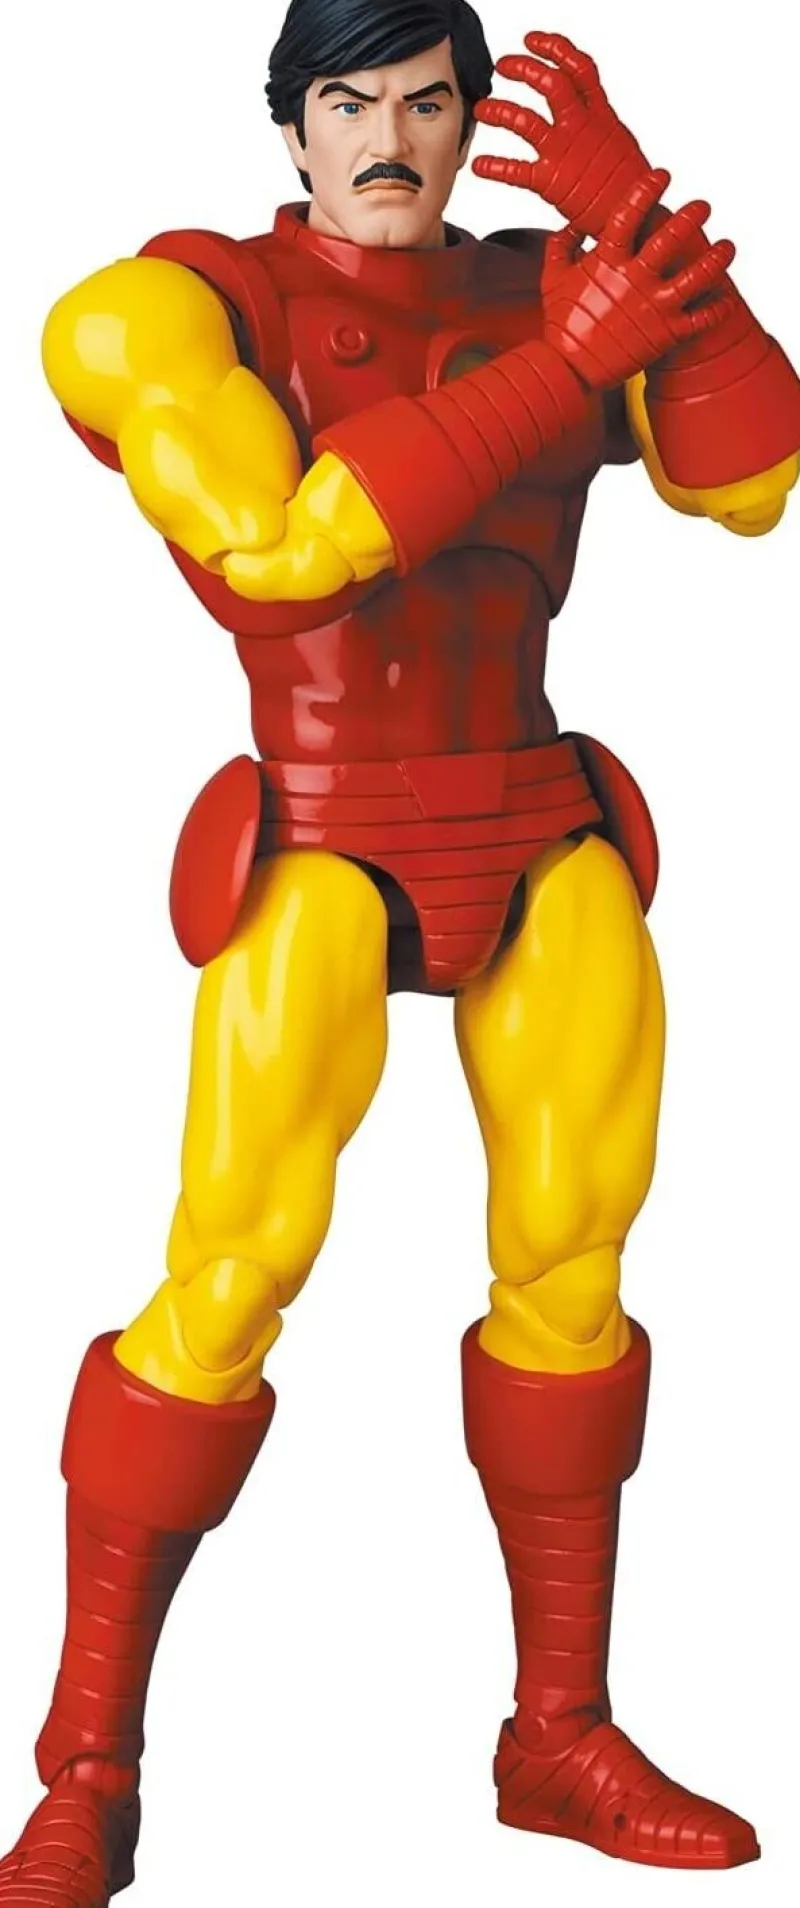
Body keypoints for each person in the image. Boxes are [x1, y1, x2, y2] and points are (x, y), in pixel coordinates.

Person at [3, 0, 798, 1895]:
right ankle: (88, 1762)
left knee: (576, 1268)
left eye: (429, 103)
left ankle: (560, 1738)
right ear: (291, 127)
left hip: (534, 816)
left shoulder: (547, 283)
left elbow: (755, 487)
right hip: (323, 828)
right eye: (348, 102)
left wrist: (655, 248)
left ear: (466, 124)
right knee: (229, 1273)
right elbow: (277, 549)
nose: (389, 139)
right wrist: (571, 361)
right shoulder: (173, 308)